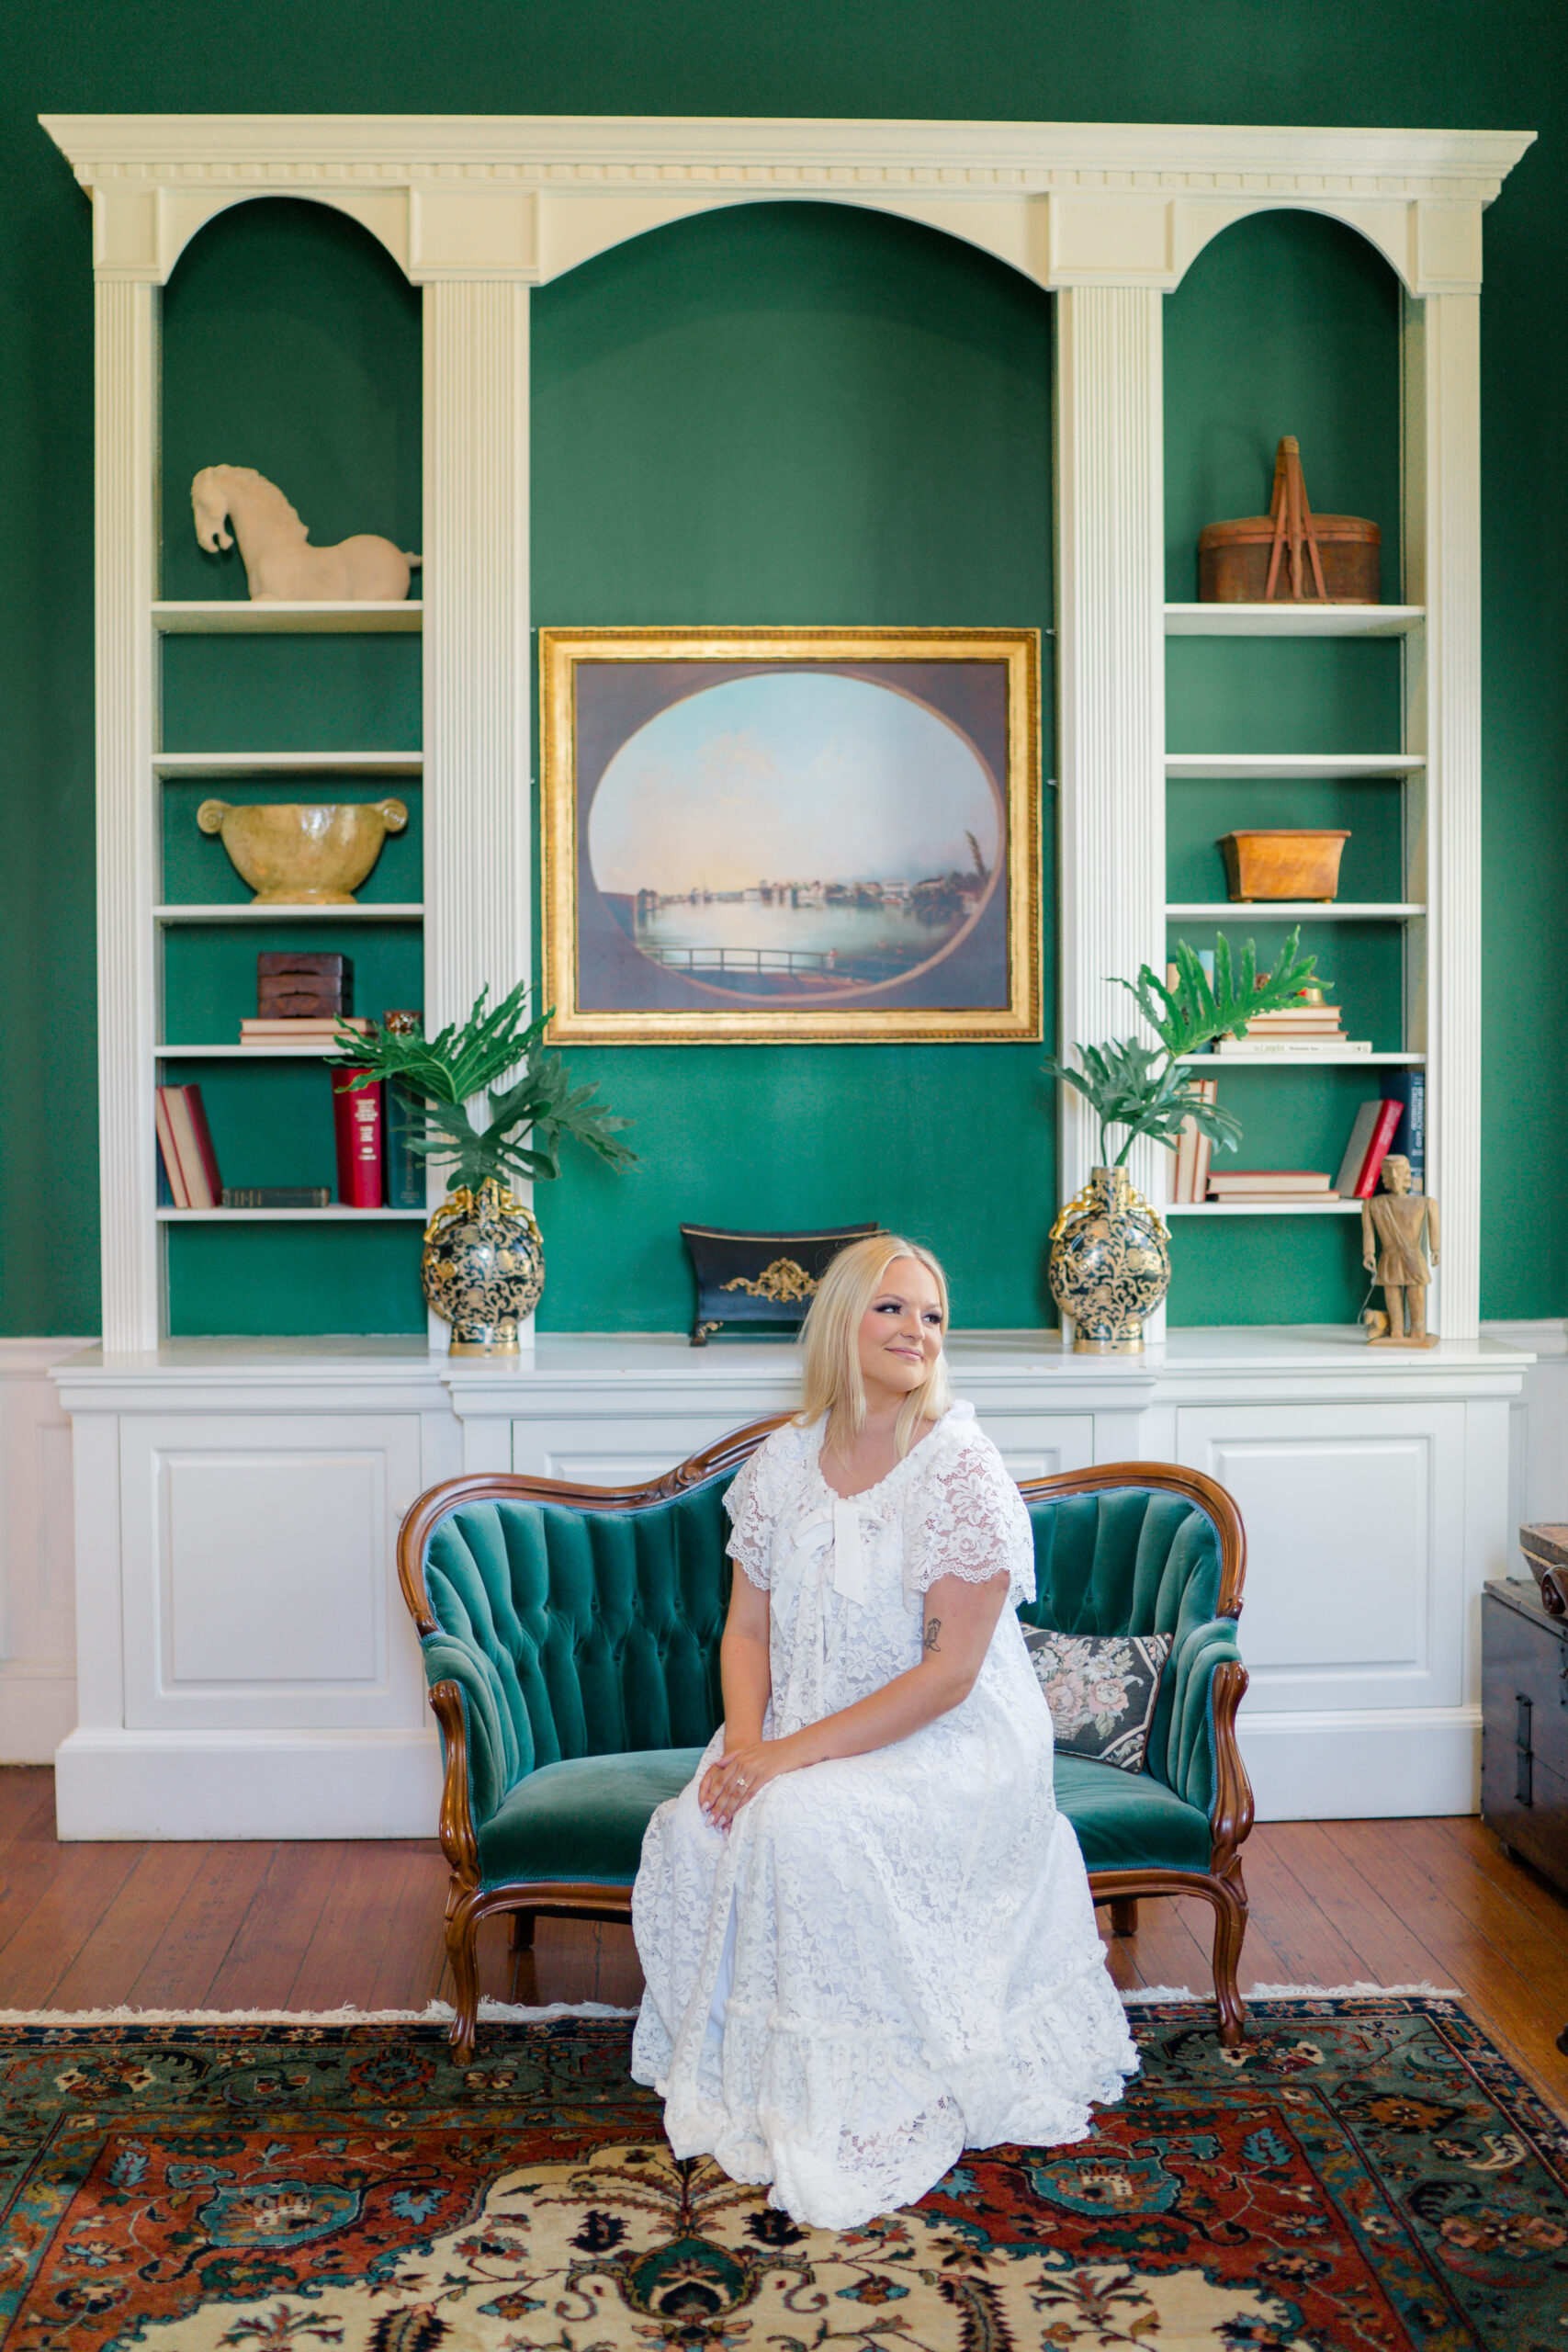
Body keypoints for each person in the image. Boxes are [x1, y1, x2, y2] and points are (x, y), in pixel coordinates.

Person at [630, 1233, 1138, 2231]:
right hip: (794, 1727)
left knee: (799, 1825)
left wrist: (782, 1762)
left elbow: (949, 1677)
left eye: (934, 1314)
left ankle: (857, 2095)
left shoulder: (960, 1469)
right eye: (893, 1308)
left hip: (949, 1750)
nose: (918, 1330)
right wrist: (743, 1750)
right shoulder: (782, 1461)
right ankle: (751, 2073)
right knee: (696, 1826)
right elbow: (745, 1627)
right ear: (841, 1322)